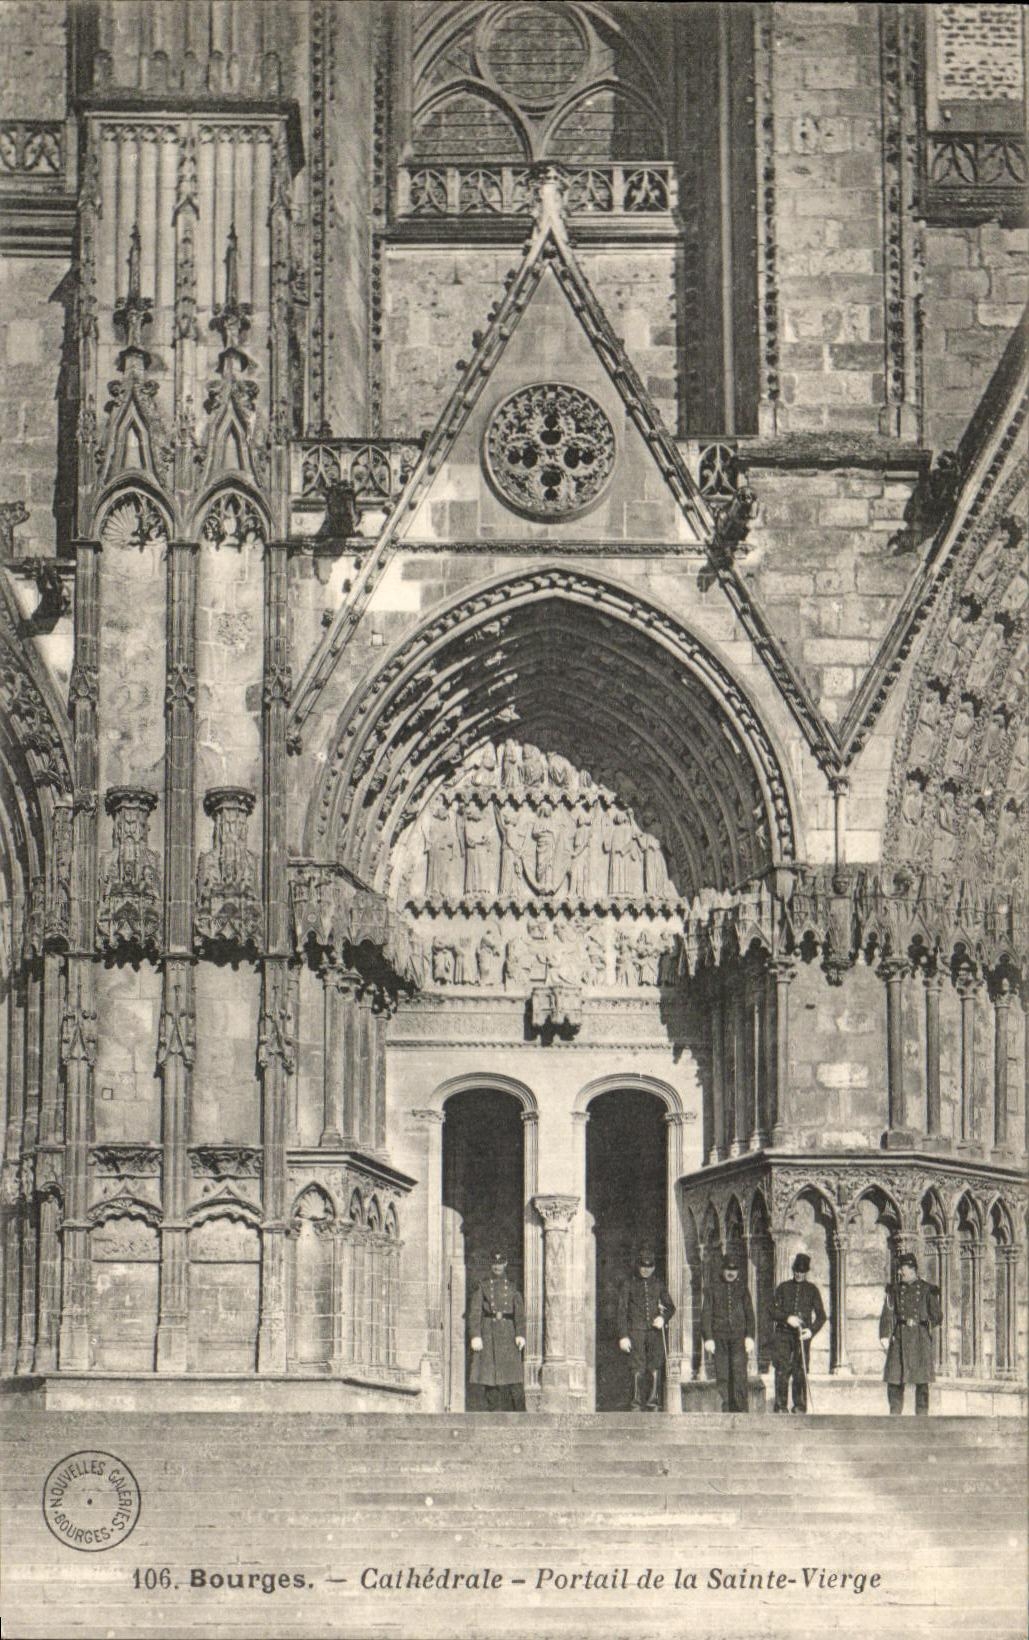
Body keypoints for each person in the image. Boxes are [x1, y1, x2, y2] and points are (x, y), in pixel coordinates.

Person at [879, 1251, 942, 1415]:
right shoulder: (894, 1290)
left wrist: (925, 1326)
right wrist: (885, 1335)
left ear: (912, 1269)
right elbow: (887, 1313)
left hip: (920, 1340)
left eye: (902, 1268)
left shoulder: (928, 1289)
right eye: (899, 1268)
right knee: (894, 1380)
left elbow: (937, 1316)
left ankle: (922, 1422)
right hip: (899, 1338)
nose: (899, 1272)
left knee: (922, 1384)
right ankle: (894, 1418)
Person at [617, 1245, 676, 1411]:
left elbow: (671, 1307)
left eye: (649, 1267)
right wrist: (623, 1335)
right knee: (637, 1366)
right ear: (638, 1266)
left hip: (654, 1332)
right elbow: (621, 1311)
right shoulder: (628, 1284)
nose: (646, 1270)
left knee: (655, 1365)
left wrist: (662, 1318)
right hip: (635, 1331)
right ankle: (635, 1403)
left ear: (654, 1267)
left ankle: (652, 1402)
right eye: (643, 1266)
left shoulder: (658, 1284)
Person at [468, 1249, 526, 1412]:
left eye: (500, 1263)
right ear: (490, 1265)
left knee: (514, 1379)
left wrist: (520, 1333)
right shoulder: (483, 1286)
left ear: (505, 1264)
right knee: (490, 1380)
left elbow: (519, 1314)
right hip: (488, 1332)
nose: (497, 1267)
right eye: (494, 1264)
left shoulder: (513, 1287)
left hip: (508, 1332)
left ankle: (521, 1418)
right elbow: (475, 1312)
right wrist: (476, 1335)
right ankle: (495, 1416)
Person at [701, 1251, 756, 1412]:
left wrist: (750, 1336)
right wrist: (708, 1338)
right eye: (728, 1269)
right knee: (723, 1374)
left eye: (734, 1270)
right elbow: (706, 1315)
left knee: (739, 1374)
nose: (731, 1273)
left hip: (739, 1338)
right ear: (722, 1270)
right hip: (719, 1338)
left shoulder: (743, 1289)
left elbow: (750, 1315)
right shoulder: (712, 1289)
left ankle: (740, 1409)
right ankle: (726, 1408)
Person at [771, 1252, 826, 1414]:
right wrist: (787, 1318)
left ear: (806, 1272)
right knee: (782, 1370)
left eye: (802, 1271)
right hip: (783, 1335)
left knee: (800, 1370)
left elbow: (822, 1316)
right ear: (792, 1270)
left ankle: (800, 1407)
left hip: (802, 1337)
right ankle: (780, 1407)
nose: (799, 1274)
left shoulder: (812, 1290)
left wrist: (811, 1331)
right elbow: (771, 1310)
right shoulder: (783, 1288)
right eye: (796, 1270)